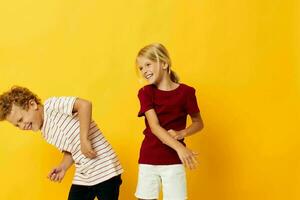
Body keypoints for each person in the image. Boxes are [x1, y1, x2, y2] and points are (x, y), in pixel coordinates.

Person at [0, 86, 123, 200]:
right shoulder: (45, 132)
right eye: (17, 125)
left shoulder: (52, 106)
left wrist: (84, 138)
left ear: (32, 104)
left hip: (104, 167)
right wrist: (63, 167)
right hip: (85, 173)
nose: (22, 126)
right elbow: (71, 151)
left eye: (21, 120)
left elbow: (84, 105)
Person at [135, 43, 204, 200]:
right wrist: (180, 148)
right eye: (141, 68)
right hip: (149, 159)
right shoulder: (145, 93)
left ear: (164, 64)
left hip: (173, 161)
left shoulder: (187, 92)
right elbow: (154, 126)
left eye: (148, 64)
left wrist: (182, 133)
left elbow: (198, 123)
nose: (144, 70)